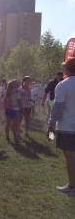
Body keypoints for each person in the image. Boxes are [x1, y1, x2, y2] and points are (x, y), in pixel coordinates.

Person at [47, 57, 75, 196]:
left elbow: (57, 109)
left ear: (68, 69)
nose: (63, 69)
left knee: (70, 157)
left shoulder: (63, 85)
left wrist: (50, 126)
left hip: (67, 127)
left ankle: (72, 187)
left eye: (64, 67)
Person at [4, 79, 22, 144]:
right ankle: (15, 138)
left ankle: (7, 136)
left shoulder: (7, 91)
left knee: (8, 124)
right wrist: (21, 107)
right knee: (15, 125)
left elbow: (5, 100)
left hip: (8, 109)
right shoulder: (17, 91)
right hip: (15, 109)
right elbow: (19, 101)